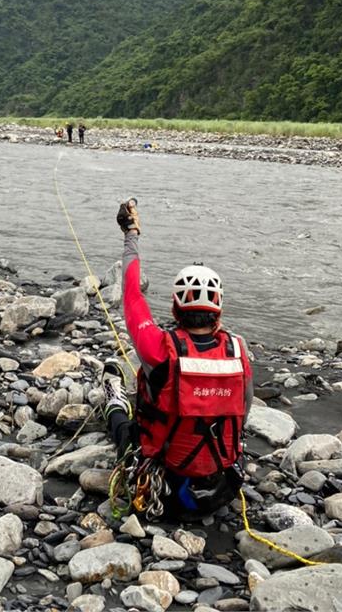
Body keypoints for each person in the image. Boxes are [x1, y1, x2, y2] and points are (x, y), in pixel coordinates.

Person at [101, 198, 252, 520]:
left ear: (174, 307)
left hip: (163, 483)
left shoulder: (158, 346)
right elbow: (244, 414)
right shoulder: (238, 350)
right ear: (219, 310)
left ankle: (112, 393)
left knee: (120, 424)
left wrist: (131, 233)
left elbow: (131, 292)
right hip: (221, 482)